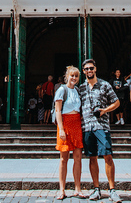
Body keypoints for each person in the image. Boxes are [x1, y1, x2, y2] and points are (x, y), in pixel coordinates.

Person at [79, 58, 122, 203]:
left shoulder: (104, 85)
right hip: (86, 127)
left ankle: (112, 190)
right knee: (92, 157)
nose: (89, 71)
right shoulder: (81, 88)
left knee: (107, 155)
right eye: (86, 69)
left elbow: (116, 102)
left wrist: (104, 111)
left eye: (91, 68)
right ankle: (96, 189)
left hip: (102, 127)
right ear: (83, 71)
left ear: (95, 69)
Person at [54, 66, 86, 200]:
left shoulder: (78, 90)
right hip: (65, 124)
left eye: (76, 76)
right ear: (67, 76)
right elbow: (57, 111)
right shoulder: (62, 90)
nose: (74, 78)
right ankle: (62, 189)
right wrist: (61, 129)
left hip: (77, 123)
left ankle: (77, 188)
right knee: (64, 158)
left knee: (78, 158)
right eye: (72, 75)